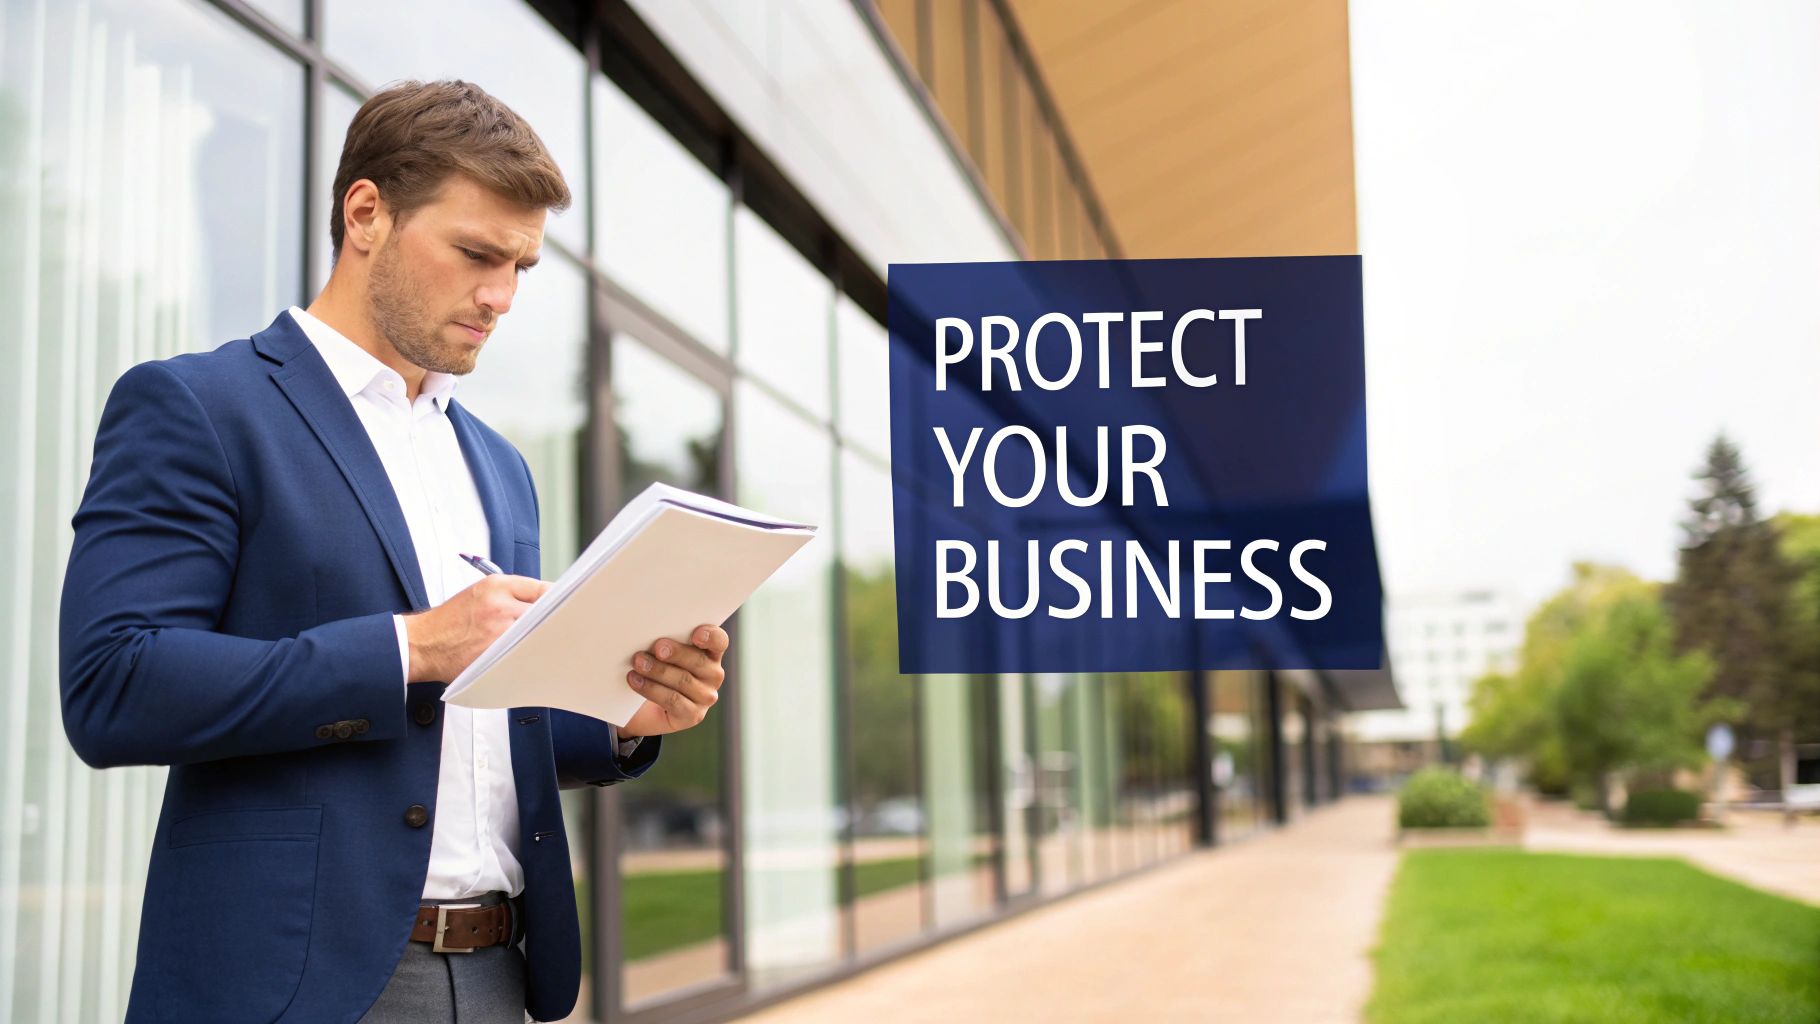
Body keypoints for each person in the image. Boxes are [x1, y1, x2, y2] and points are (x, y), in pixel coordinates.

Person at [57, 79, 728, 1023]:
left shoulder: (497, 464)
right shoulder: (199, 408)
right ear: (365, 212)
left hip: (497, 972)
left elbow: (483, 730)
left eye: (522, 268)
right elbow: (113, 684)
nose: (499, 296)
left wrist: (630, 716)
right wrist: (411, 647)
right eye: (475, 253)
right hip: (298, 985)